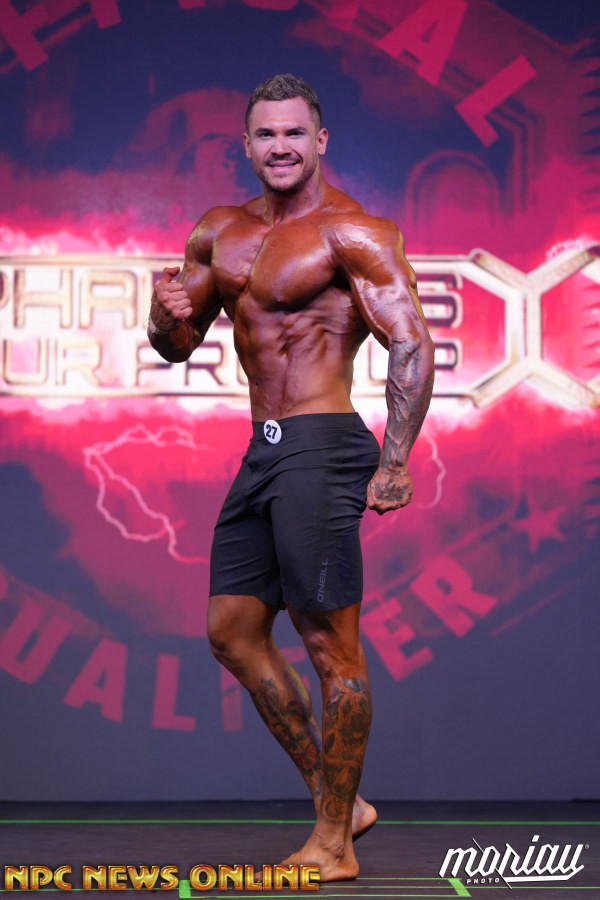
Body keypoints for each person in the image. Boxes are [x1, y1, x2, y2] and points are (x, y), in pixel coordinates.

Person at [148, 73, 434, 882]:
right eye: (267, 135)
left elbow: (411, 342)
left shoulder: (353, 232)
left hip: (323, 442)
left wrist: (396, 458)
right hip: (263, 449)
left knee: (327, 644)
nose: (281, 147)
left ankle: (333, 845)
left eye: (295, 134)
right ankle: (341, 802)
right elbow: (177, 343)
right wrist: (161, 316)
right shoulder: (221, 231)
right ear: (247, 145)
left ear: (320, 141)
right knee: (232, 631)